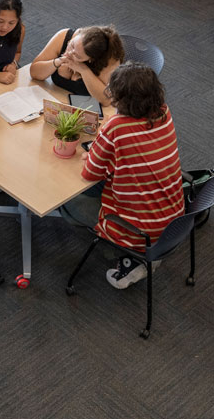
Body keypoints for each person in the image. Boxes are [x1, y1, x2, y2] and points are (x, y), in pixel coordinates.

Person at [74, 63, 184, 289]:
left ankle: (132, 255)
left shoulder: (116, 127)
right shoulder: (163, 111)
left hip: (139, 231)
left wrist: (96, 152)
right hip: (174, 221)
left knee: (67, 202)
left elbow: (90, 173)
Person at [29, 24, 125, 110]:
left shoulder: (109, 59)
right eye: (72, 45)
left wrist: (84, 70)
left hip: (87, 109)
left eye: (78, 56)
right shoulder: (63, 36)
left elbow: (106, 100)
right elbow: (34, 72)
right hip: (56, 98)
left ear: (90, 59)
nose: (69, 53)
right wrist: (58, 61)